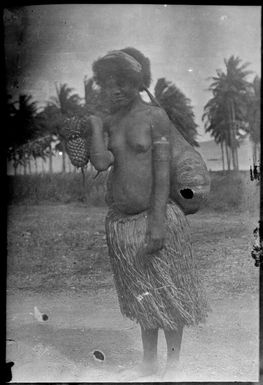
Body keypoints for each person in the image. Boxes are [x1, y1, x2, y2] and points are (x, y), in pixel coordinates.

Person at [88, 47, 210, 380]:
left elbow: (161, 175)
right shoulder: (111, 120)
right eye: (107, 84)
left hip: (156, 219)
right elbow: (101, 163)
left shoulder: (155, 117)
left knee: (168, 296)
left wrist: (158, 222)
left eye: (122, 83)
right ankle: (148, 363)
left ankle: (172, 367)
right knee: (144, 299)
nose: (114, 91)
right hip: (123, 227)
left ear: (137, 81)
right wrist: (96, 125)